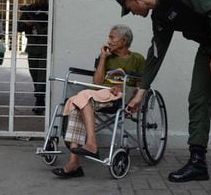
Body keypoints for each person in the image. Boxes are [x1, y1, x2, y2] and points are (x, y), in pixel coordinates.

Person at [114, 0, 211, 195]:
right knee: (198, 101)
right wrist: (142, 91)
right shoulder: (159, 17)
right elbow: (156, 53)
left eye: (130, 9)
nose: (134, 14)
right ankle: (198, 163)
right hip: (208, 48)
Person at [52, 24, 145, 178]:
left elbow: (141, 85)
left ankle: (90, 145)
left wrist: (125, 90)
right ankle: (75, 162)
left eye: (112, 37)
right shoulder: (108, 58)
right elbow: (97, 82)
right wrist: (103, 58)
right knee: (77, 104)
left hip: (120, 97)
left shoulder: (137, 58)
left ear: (123, 41)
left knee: (79, 98)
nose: (108, 41)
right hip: (101, 95)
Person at [18, 0, 49, 115]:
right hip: (32, 46)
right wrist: (26, 23)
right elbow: (19, 27)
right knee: (35, 74)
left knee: (42, 76)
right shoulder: (30, 9)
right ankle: (40, 96)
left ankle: (40, 100)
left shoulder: (51, 9)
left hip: (45, 47)